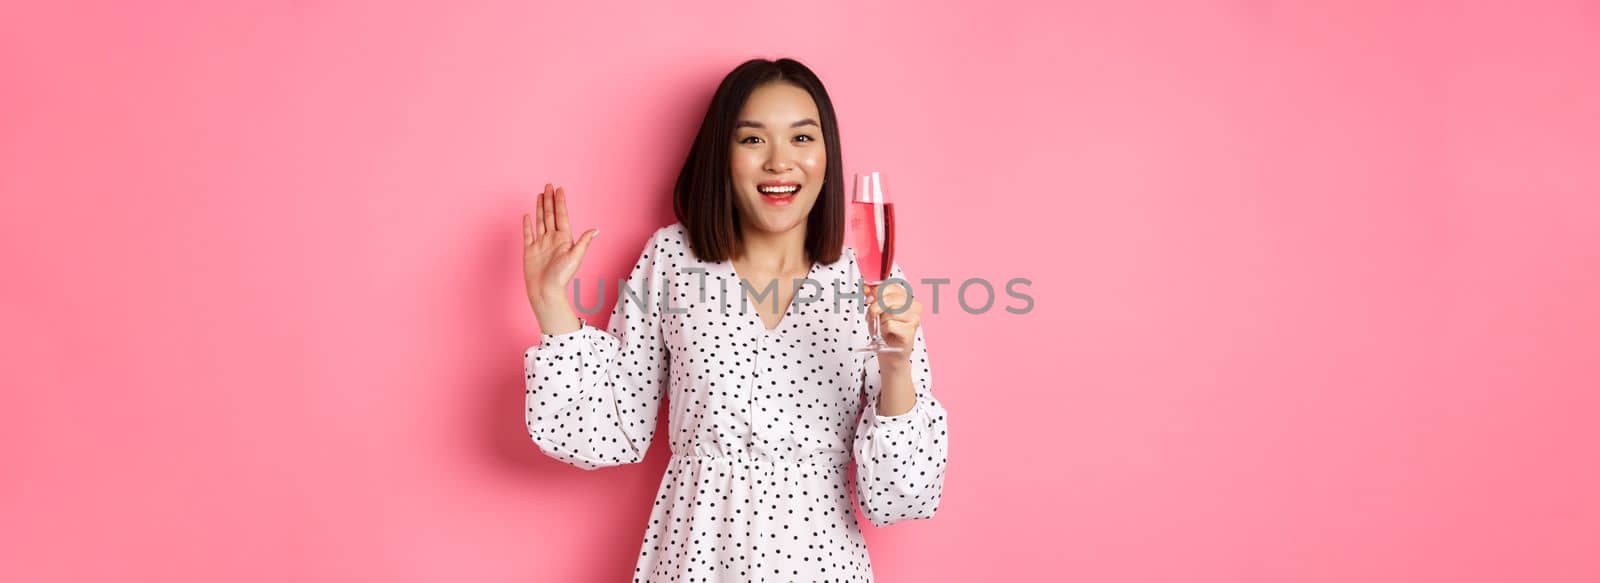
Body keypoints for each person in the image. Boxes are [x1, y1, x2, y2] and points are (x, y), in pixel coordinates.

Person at [520, 57, 949, 582]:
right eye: (752, 140)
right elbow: (608, 432)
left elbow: (903, 497)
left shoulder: (871, 277)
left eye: (801, 138)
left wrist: (898, 366)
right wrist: (551, 303)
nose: (779, 162)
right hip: (695, 559)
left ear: (827, 155)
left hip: (820, 565)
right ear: (722, 155)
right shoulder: (672, 259)